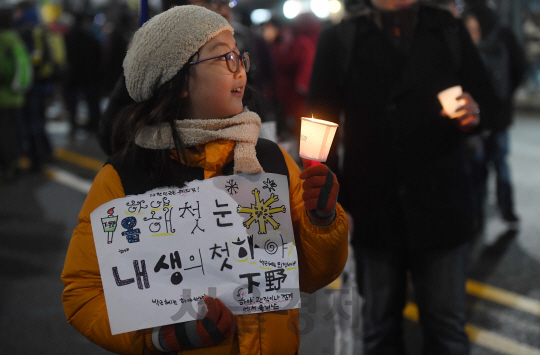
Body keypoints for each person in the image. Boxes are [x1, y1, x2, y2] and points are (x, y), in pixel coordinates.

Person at [61, 6, 348, 355]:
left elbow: (312, 273)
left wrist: (323, 221)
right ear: (179, 81)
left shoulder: (269, 160)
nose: (240, 67)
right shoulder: (124, 177)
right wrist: (158, 338)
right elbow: (83, 292)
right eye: (224, 57)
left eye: (239, 55)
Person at [308, 0, 499, 354]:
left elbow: (489, 101)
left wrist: (476, 112)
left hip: (441, 204)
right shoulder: (341, 38)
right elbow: (320, 124)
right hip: (372, 209)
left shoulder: (447, 29)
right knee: (379, 330)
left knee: (447, 329)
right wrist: (329, 201)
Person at [98, 0, 276, 156]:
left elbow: (260, 108)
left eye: (227, 2)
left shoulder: (243, 42)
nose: (224, 11)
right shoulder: (150, 68)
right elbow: (112, 137)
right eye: (213, 2)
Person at [463, 5, 526, 229]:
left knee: (480, 166)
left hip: (480, 116)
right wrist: (507, 96)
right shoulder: (504, 33)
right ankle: (505, 209)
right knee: (498, 163)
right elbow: (520, 68)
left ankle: (478, 213)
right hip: (497, 114)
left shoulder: (467, 41)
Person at [0, 6, 33, 182]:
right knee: (14, 132)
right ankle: (16, 163)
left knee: (5, 135)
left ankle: (9, 168)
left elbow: (3, 69)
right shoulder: (15, 38)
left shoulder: (2, 40)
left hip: (3, 98)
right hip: (16, 95)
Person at [64, 12, 102, 136]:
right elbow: (99, 57)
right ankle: (94, 124)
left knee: (72, 102)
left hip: (73, 76)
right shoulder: (91, 37)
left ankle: (73, 124)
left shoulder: (68, 37)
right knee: (92, 102)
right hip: (89, 75)